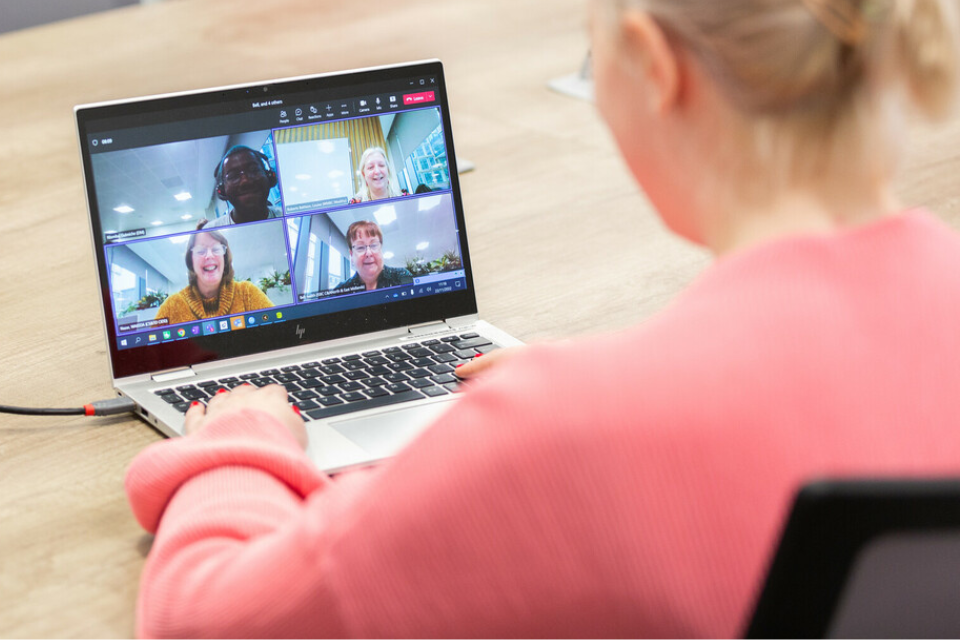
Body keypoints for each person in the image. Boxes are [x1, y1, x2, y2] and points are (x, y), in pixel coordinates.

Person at [126, 0, 960, 637]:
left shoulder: (566, 432)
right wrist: (615, 378)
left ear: (648, 60)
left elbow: (208, 620)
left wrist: (238, 445)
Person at [154, 230, 274, 323]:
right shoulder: (172, 306)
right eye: (201, 251)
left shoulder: (247, 293)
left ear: (224, 258)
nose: (209, 256)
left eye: (216, 249)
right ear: (191, 260)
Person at [203, 145, 282, 228]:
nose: (245, 181)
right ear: (222, 189)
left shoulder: (288, 217)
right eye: (233, 176)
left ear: (268, 176)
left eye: (254, 170)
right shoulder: (211, 232)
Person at [334, 220, 413, 291]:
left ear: (381, 249)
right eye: (360, 247)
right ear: (351, 255)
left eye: (374, 245)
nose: (368, 253)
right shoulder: (341, 290)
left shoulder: (401, 276)